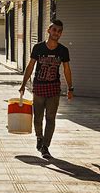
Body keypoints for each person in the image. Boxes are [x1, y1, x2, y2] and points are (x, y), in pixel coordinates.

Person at [19, 20, 73, 159]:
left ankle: (45, 146)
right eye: (54, 30)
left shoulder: (63, 50)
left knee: (50, 118)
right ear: (49, 30)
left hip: (54, 89)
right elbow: (30, 66)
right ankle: (39, 136)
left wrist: (70, 88)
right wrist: (23, 84)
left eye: (59, 31)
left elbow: (67, 69)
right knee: (37, 118)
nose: (57, 33)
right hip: (38, 88)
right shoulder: (38, 48)